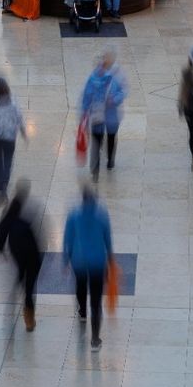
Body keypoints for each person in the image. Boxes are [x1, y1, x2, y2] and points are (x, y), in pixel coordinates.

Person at [64, 184, 113, 351]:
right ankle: (94, 339)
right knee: (96, 301)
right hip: (98, 263)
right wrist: (111, 260)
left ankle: (82, 312)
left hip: (79, 261)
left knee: (80, 287)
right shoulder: (102, 215)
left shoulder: (74, 215)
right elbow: (107, 239)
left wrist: (65, 259)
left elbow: (68, 239)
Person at [0, 180, 44, 332]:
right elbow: (41, 230)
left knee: (20, 277)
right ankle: (29, 319)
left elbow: (2, 229)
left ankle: (13, 305)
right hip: (32, 252)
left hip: (17, 251)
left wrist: (1, 248)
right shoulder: (32, 207)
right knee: (30, 287)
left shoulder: (11, 208)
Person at [81, 48, 128, 179]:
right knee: (97, 141)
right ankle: (95, 169)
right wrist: (84, 114)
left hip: (112, 116)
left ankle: (110, 160)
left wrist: (114, 100)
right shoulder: (92, 79)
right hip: (97, 117)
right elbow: (86, 97)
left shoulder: (113, 78)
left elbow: (122, 91)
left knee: (111, 138)